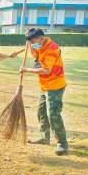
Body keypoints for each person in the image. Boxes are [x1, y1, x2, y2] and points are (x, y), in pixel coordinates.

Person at [20, 28, 68, 156]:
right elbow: (35, 55)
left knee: (53, 114)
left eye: (33, 41)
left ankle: (62, 143)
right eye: (30, 42)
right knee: (41, 111)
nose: (32, 44)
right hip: (45, 86)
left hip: (55, 86)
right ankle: (44, 137)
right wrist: (30, 42)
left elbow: (46, 70)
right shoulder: (41, 46)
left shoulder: (51, 48)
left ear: (41, 38)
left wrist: (26, 69)